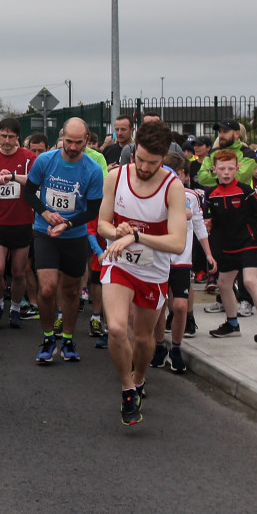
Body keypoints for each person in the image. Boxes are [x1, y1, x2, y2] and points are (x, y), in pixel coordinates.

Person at [97, 120, 187, 426]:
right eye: (140, 160)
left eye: (153, 163)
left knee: (144, 337)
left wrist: (135, 236)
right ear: (133, 151)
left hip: (152, 270)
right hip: (118, 262)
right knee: (118, 328)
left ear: (163, 158)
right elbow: (102, 225)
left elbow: (177, 243)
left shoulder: (172, 187)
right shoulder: (116, 177)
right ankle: (127, 387)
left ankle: (140, 376)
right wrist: (117, 231)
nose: (144, 167)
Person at [24, 118, 105, 364]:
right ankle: (49, 338)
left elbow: (93, 210)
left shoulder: (92, 169)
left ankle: (68, 339)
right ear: (62, 137)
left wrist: (68, 224)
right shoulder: (45, 161)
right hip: (45, 232)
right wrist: (46, 213)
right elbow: (29, 192)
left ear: (87, 140)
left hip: (74, 235)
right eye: (69, 141)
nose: (72, 146)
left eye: (78, 142)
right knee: (47, 288)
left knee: (71, 290)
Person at [150, 153, 214, 374]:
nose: (172, 179)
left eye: (176, 175)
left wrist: (208, 254)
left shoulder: (192, 197)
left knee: (179, 305)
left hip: (181, 258)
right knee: (158, 305)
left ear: (185, 176)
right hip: (158, 257)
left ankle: (176, 348)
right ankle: (160, 346)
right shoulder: (154, 195)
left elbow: (199, 226)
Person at [203, 149, 257, 341]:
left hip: (250, 241)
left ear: (237, 169)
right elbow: (211, 219)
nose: (226, 172)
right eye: (222, 168)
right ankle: (232, 324)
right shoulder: (212, 194)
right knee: (224, 284)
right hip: (227, 245)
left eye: (230, 168)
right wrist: (209, 223)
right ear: (214, 170)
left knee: (250, 281)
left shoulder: (245, 190)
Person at [0, 117, 37, 328]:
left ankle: (15, 308)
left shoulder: (28, 157)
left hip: (22, 222)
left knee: (18, 271)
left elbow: (35, 181)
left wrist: (14, 176)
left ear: (18, 138)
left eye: (11, 137)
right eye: (3, 136)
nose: (7, 141)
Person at [197, 119, 255, 186]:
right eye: (220, 132)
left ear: (237, 134)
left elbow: (239, 177)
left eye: (225, 132)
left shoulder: (248, 154)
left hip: (240, 195)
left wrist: (213, 173)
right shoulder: (213, 153)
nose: (221, 135)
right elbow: (201, 178)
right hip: (216, 195)